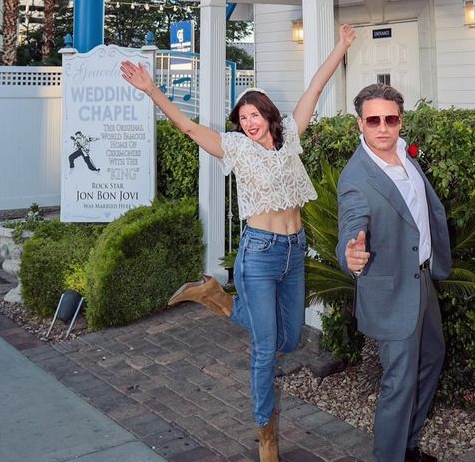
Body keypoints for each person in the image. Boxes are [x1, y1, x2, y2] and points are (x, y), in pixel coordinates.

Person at [120, 24, 356, 462]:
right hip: (259, 255)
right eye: (242, 118)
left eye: (254, 116)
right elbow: (189, 129)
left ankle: (218, 298)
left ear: (268, 116)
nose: (248, 123)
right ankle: (267, 434)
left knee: (289, 342)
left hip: (294, 252)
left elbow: (315, 86)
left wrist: (341, 45)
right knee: (266, 349)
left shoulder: (291, 139)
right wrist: (153, 90)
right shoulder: (234, 148)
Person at [336, 83, 451, 462]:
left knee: (432, 358)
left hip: (422, 280)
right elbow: (353, 224)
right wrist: (351, 254)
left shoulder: (404, 153)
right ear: (360, 124)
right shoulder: (356, 178)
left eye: (391, 119)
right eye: (373, 120)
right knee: (399, 383)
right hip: (392, 292)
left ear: (401, 121)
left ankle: (408, 446)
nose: (383, 127)